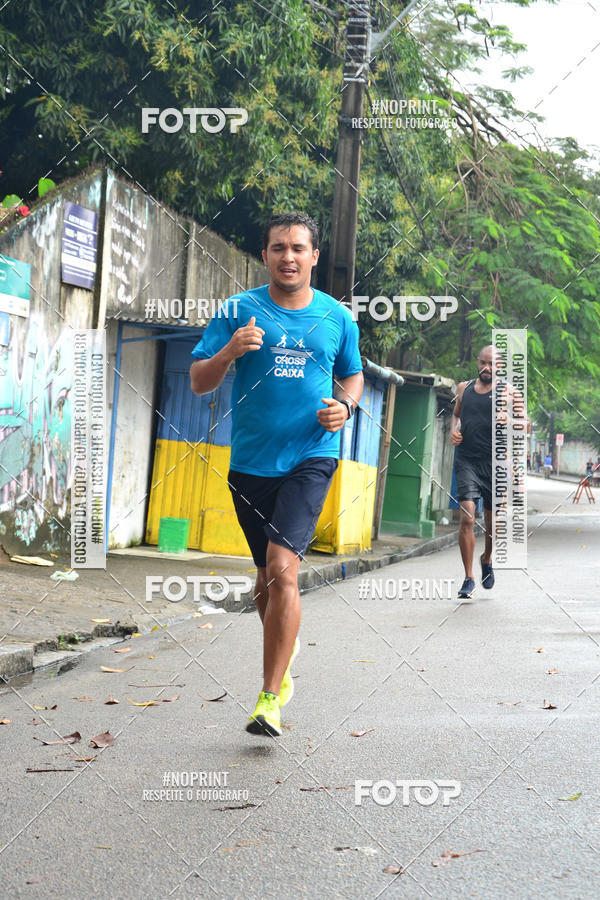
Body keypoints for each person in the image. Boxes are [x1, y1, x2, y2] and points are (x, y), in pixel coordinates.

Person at [189, 212, 363, 737]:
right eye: (279, 248)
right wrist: (229, 351)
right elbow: (198, 380)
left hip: (312, 455)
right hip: (250, 463)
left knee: (283, 568)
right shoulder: (236, 310)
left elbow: (352, 375)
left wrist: (345, 408)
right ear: (265, 255)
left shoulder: (337, 317)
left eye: (298, 248)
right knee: (266, 577)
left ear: (314, 256)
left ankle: (269, 700)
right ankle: (284, 652)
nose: (289, 256)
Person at [450, 345, 523, 599]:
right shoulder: (464, 388)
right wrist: (454, 430)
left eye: (492, 364)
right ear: (478, 362)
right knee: (467, 518)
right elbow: (456, 415)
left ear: (500, 366)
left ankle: (487, 558)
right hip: (467, 461)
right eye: (483, 362)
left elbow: (526, 425)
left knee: (493, 524)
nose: (486, 368)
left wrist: (510, 421)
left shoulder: (511, 393)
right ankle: (468, 577)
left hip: (496, 464)